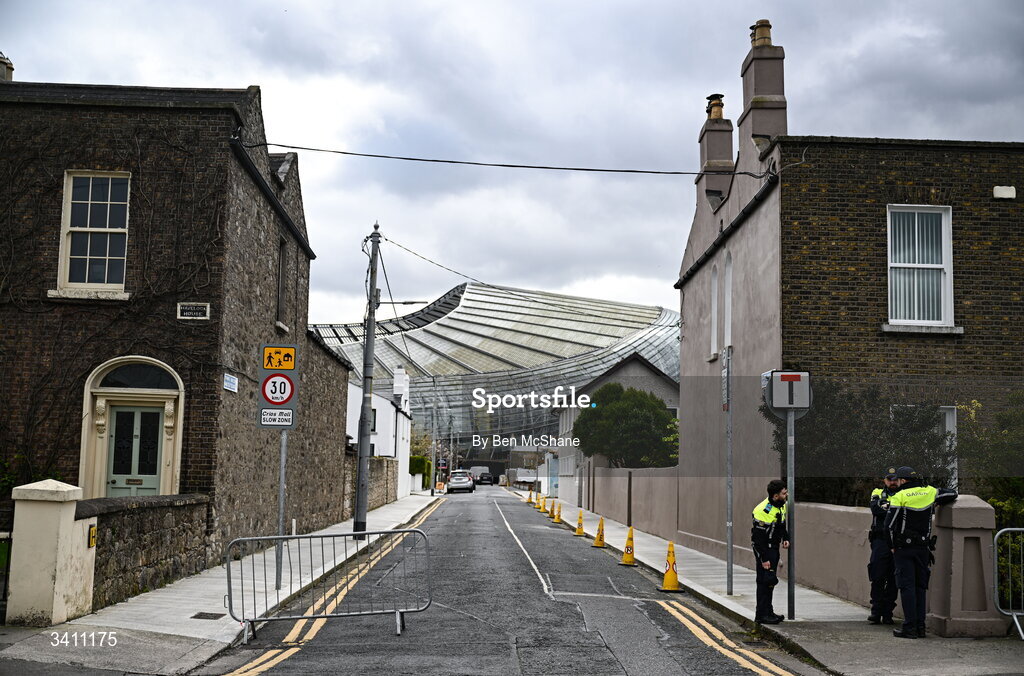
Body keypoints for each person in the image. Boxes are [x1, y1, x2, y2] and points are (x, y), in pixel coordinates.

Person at [884, 466, 957, 639]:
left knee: (906, 587)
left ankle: (909, 628)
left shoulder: (899, 496)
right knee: (920, 587)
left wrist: (892, 545)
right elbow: (952, 493)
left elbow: (889, 526)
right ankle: (920, 627)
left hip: (904, 548)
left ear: (902, 480)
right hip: (923, 549)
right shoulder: (930, 492)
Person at [751, 479, 790, 624]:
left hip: (773, 548)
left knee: (770, 581)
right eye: (784, 493)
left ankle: (768, 611)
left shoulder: (781, 506)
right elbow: (757, 539)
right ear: (775, 496)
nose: (786, 495)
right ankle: (761, 615)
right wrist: (764, 559)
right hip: (764, 549)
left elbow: (781, 524)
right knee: (764, 581)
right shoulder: (762, 511)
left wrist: (785, 537)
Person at [867, 468, 899, 625]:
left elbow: (889, 510)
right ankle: (876, 611)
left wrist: (887, 507)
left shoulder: (903, 493)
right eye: (889, 479)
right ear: (885, 480)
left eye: (895, 479)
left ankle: (888, 613)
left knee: (894, 578)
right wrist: (893, 509)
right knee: (877, 575)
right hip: (880, 540)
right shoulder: (877, 492)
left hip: (898, 541)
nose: (892, 482)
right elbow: (875, 509)